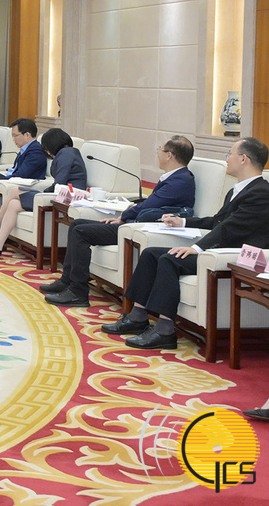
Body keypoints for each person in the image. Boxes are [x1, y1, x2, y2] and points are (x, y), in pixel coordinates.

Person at [102, 137, 269, 350]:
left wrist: (197, 248)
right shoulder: (237, 189)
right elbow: (218, 221)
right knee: (151, 254)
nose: (227, 159)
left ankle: (165, 330)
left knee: (170, 259)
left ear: (243, 159)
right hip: (218, 251)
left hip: (234, 257)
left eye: (230, 155)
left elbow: (230, 228)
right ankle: (137, 316)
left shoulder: (261, 192)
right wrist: (182, 221)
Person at [45, 136, 196, 307]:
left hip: (141, 228)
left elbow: (151, 204)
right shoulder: (175, 177)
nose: (158, 153)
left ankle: (78, 292)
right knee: (76, 224)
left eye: (160, 150)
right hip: (133, 223)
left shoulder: (181, 180)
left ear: (169, 155)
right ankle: (67, 281)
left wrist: (123, 217)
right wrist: (123, 217)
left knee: (81, 232)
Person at [0, 128, 87, 259]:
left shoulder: (66, 153)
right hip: (59, 195)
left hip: (64, 199)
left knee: (14, 191)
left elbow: (59, 184)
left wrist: (42, 194)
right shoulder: (68, 153)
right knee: (14, 204)